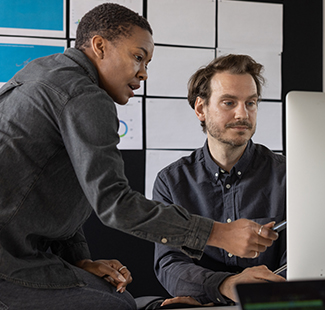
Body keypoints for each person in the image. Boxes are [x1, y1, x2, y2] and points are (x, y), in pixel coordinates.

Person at [0, 4, 277, 310]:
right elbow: (114, 204)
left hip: (22, 252)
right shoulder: (85, 95)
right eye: (137, 57)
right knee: (118, 305)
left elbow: (56, 191)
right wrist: (218, 233)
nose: (143, 72)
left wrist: (79, 260)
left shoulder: (41, 73)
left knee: (115, 295)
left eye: (251, 103)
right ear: (99, 46)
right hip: (9, 260)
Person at [152, 54, 286, 307]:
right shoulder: (171, 181)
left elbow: (300, 260)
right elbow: (169, 264)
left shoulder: (288, 175)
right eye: (229, 102)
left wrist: (259, 292)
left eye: (251, 103)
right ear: (201, 109)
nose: (242, 114)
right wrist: (224, 285)